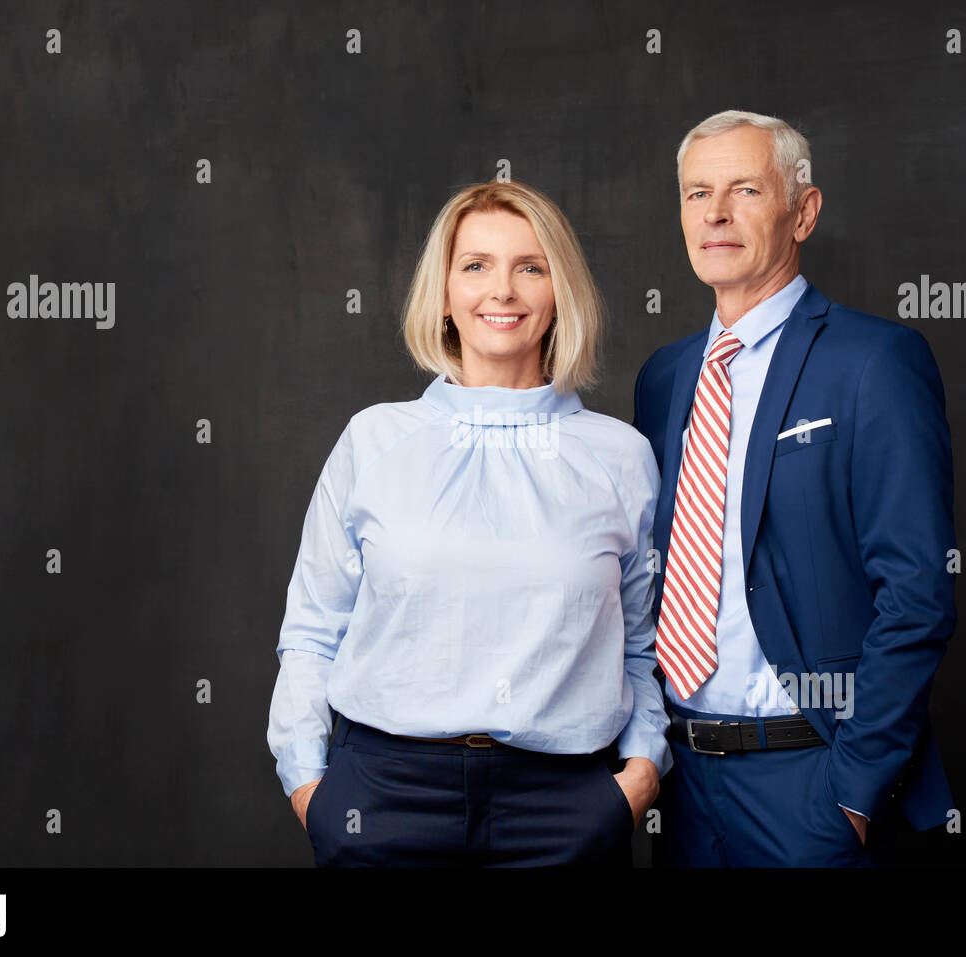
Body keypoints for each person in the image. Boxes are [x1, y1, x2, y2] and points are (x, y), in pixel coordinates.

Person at [267, 179, 671, 866]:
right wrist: (310, 784)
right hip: (385, 797)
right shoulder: (373, 440)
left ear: (559, 290)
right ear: (446, 293)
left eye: (530, 267)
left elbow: (640, 643)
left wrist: (639, 776)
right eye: (476, 265)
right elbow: (311, 631)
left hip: (564, 805)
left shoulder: (621, 457)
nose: (502, 291)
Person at [632, 110, 957, 866]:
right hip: (682, 782)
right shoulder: (663, 378)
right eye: (695, 193)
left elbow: (917, 592)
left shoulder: (875, 362)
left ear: (803, 212)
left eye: (745, 189)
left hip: (811, 779)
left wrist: (852, 791)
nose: (714, 213)